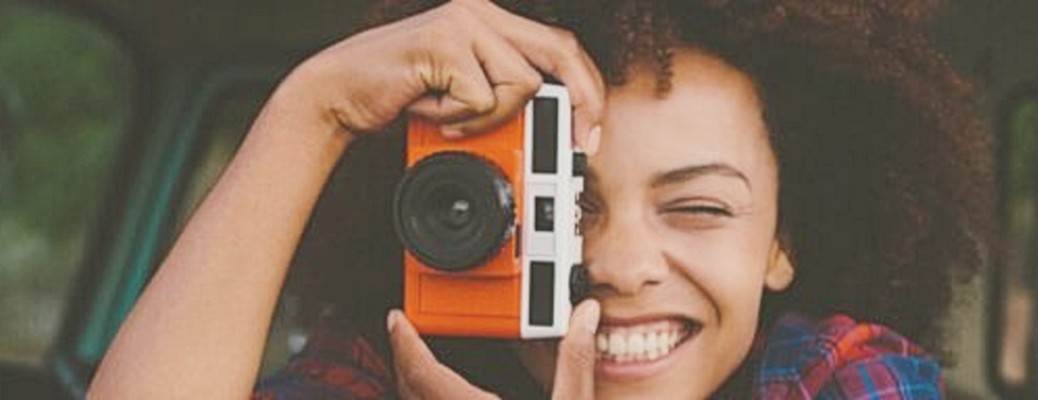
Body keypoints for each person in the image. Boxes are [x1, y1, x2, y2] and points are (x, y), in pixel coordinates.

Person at [88, 0, 993, 398]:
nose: (617, 263)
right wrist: (311, 113)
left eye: (699, 207)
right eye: (564, 204)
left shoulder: (835, 376)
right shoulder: (391, 369)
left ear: (781, 244)